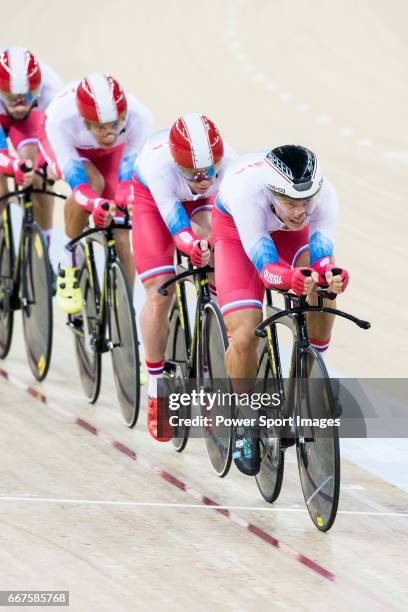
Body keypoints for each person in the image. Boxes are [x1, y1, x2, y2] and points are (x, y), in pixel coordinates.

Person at [212, 144, 349, 475]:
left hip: (289, 236)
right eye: (291, 202)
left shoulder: (323, 194)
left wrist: (331, 274)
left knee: (322, 286)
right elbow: (265, 267)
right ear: (272, 194)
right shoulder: (248, 194)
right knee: (245, 336)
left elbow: (321, 256)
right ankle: (245, 416)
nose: (302, 210)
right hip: (237, 236)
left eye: (307, 201)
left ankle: (314, 378)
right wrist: (291, 278)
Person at [131, 114, 237, 441]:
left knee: (219, 252)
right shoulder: (161, 168)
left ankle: (212, 359)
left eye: (211, 171)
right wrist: (192, 246)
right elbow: (177, 227)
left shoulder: (229, 164)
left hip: (202, 206)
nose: (204, 179)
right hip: (154, 203)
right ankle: (156, 387)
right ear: (179, 164)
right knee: (160, 294)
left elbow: (231, 222)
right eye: (194, 173)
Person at [39, 73, 153, 313]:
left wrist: (125, 200)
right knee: (93, 183)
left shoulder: (139, 116)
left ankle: (124, 312)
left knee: (121, 236)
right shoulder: (61, 119)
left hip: (112, 156)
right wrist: (95, 203)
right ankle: (68, 261)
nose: (109, 132)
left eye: (115, 124)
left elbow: (127, 180)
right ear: (84, 120)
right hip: (71, 150)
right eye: (101, 127)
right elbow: (80, 188)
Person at [0, 47, 64, 251]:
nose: (20, 104)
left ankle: (43, 247)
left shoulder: (51, 87)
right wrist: (11, 165)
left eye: (28, 96)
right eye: (12, 97)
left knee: (39, 179)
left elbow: (57, 138)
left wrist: (49, 167)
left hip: (30, 121)